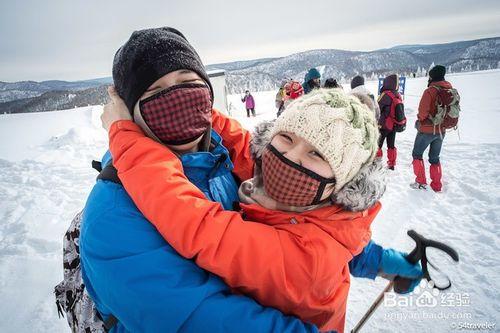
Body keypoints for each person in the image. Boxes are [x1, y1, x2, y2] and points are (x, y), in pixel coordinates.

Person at [101, 89, 424, 332]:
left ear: (342, 183)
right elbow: (243, 147)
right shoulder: (321, 206)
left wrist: (124, 135)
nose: (291, 157)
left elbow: (193, 221)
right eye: (286, 137)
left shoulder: (302, 258)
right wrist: (191, 103)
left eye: (316, 154)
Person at [80, 27, 319, 333]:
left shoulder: (228, 158)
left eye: (187, 82)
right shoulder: (112, 211)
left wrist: (376, 259)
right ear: (129, 113)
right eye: (155, 92)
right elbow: (197, 318)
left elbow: (307, 222)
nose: (177, 98)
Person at [411, 65, 455, 192]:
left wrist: (419, 121)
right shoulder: (449, 89)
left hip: (427, 130)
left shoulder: (430, 91)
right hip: (441, 130)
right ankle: (436, 185)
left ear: (431, 77)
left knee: (417, 154)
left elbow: (422, 112)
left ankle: (420, 182)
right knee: (435, 158)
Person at [377, 74, 404, 170]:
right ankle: (392, 164)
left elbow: (377, 109)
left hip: (383, 125)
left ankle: (377, 163)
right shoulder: (398, 95)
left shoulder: (385, 95)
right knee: (391, 145)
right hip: (393, 125)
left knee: (378, 145)